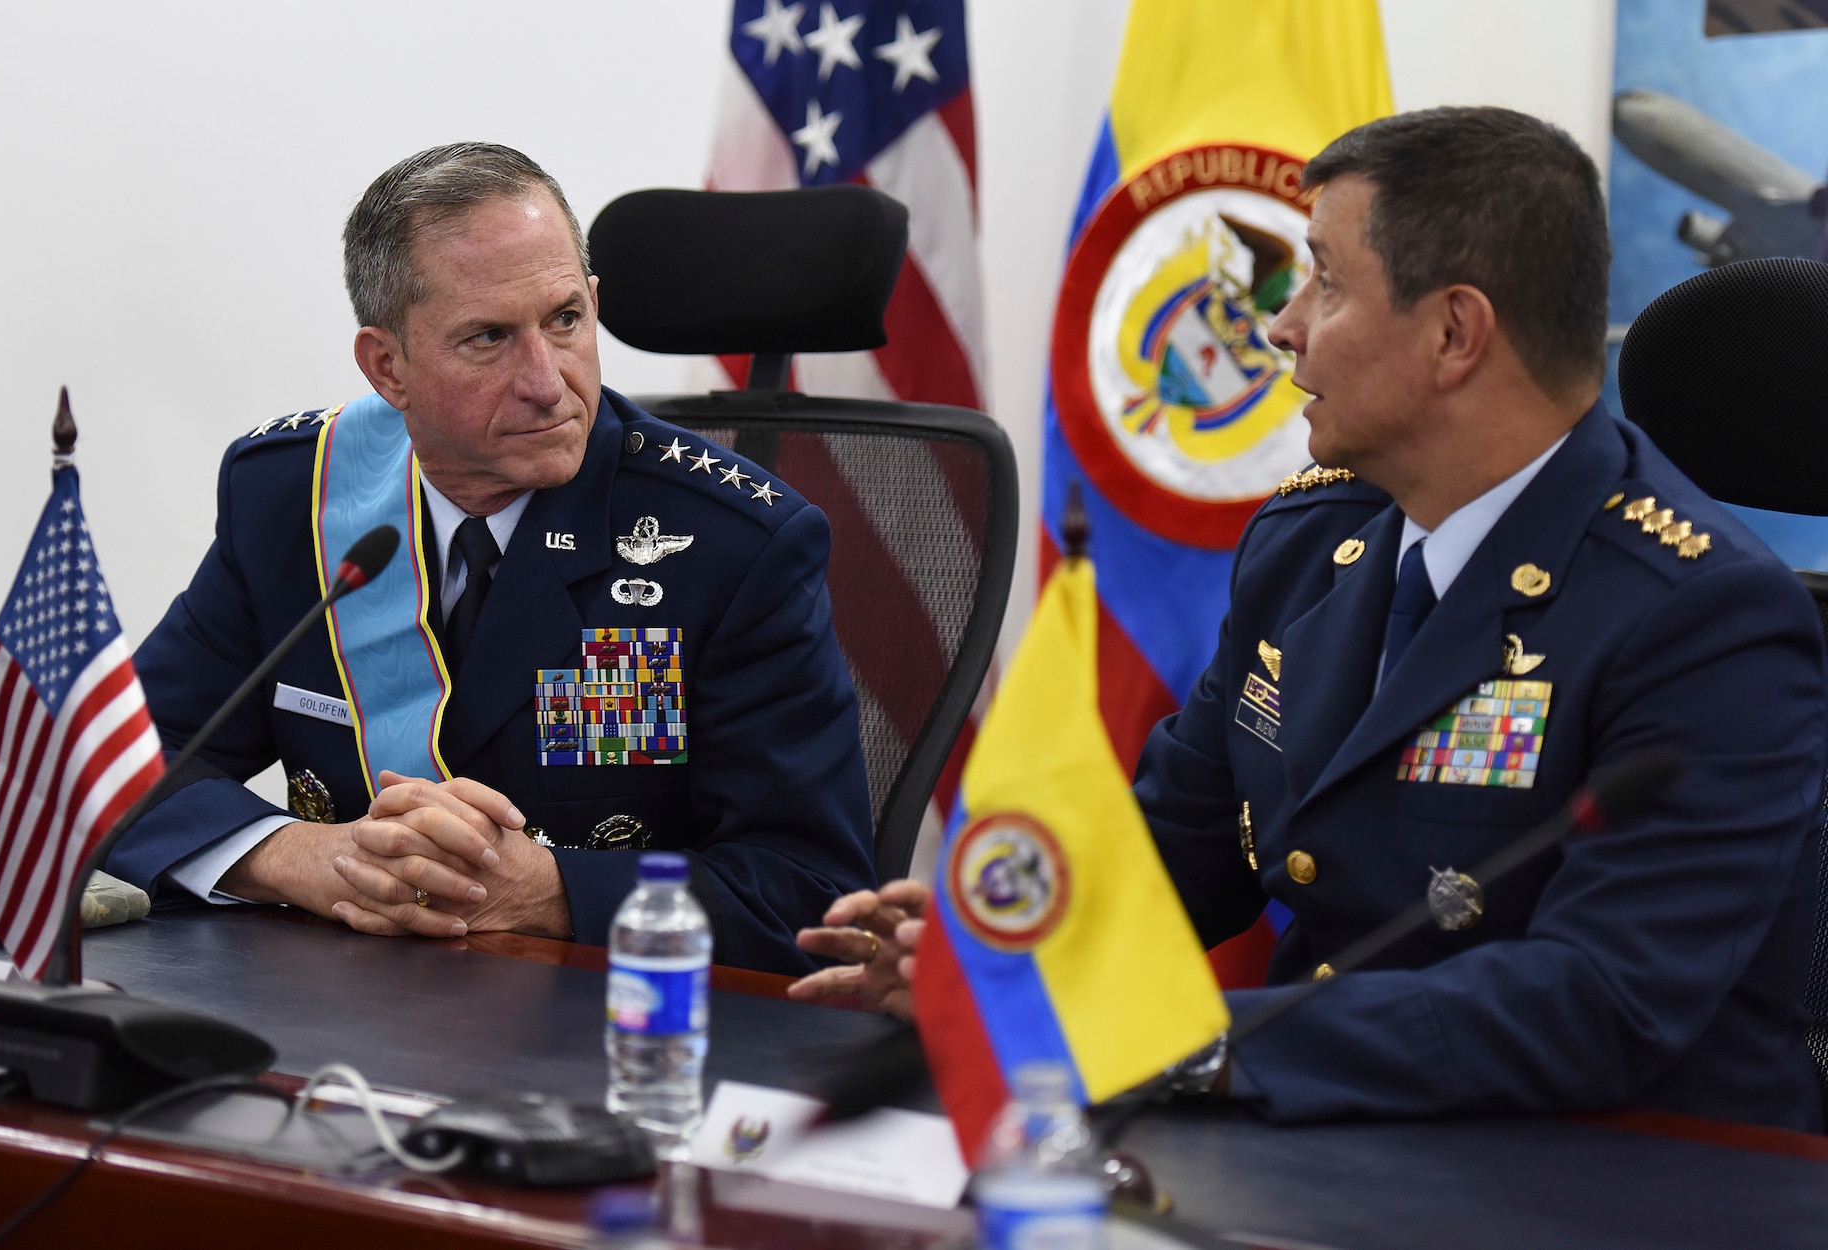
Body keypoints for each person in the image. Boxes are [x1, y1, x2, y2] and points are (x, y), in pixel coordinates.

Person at [793, 107, 1827, 1131]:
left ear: (1452, 332)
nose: (1279, 325)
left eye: (1323, 281)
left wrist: (1168, 1041)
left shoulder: (1703, 615)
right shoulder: (1307, 545)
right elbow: (1179, 840)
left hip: (1621, 1171)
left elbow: (1596, 1002)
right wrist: (1004, 939)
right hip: (1337, 1134)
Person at [106, 143, 875, 975]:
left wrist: (543, 889)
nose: (548, 382)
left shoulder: (735, 545)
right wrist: (301, 858)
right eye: (489, 338)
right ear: (387, 367)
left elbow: (811, 892)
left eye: (565, 321)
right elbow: (109, 762)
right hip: (344, 1012)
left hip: (606, 1025)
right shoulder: (297, 498)